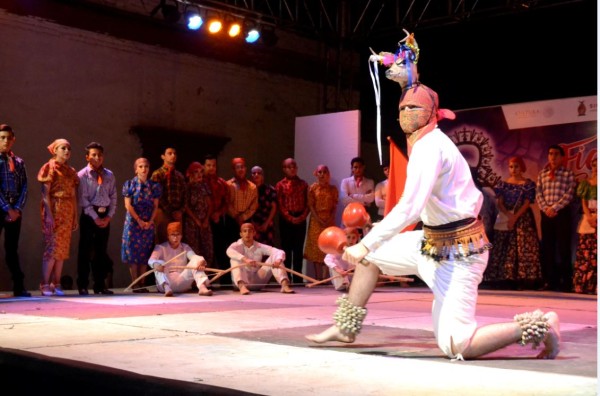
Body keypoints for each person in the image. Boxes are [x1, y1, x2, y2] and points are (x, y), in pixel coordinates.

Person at [306, 83, 560, 361]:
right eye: (402, 108)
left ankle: (543, 326)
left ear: (432, 114)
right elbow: (424, 207)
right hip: (429, 242)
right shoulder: (424, 143)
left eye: (414, 108)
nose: (406, 113)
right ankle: (345, 328)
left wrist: (364, 245)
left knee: (458, 345)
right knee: (374, 257)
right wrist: (408, 75)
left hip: (459, 256)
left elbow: (411, 206)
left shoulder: (431, 147)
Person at [485, 156, 541, 290]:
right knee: (503, 246)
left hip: (522, 218)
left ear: (522, 167)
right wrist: (509, 216)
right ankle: (503, 278)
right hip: (505, 217)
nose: (513, 169)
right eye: (511, 166)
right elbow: (500, 203)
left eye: (516, 166)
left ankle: (523, 279)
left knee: (523, 248)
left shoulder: (528, 185)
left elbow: (527, 203)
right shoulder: (503, 184)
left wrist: (515, 217)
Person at [37, 139, 79, 296]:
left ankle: (57, 282)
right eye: (63, 148)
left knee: (62, 249)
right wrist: (48, 215)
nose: (67, 151)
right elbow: (45, 194)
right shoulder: (49, 167)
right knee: (52, 247)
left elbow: (73, 195)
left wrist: (75, 216)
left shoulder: (70, 171)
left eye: (69, 148)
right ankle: (44, 283)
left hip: (67, 210)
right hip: (54, 208)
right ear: (55, 150)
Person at [76, 142, 117, 295]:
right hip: (89, 215)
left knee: (101, 251)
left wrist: (109, 216)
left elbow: (113, 197)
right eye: (93, 155)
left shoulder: (109, 174)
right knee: (86, 250)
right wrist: (94, 218)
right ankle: (83, 284)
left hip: (104, 214)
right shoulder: (82, 175)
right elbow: (83, 200)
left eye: (99, 155)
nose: (97, 158)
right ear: (87, 157)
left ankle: (100, 284)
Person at [535, 145, 576, 292]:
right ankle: (550, 281)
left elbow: (570, 194)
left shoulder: (568, 174)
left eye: (556, 154)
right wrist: (546, 208)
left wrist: (554, 208)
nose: (553, 157)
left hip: (562, 214)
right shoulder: (542, 174)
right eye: (550, 154)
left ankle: (566, 283)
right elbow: (538, 193)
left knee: (564, 248)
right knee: (548, 248)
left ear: (562, 157)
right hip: (546, 214)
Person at [121, 158, 161, 293]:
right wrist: (138, 220)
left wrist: (150, 221)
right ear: (136, 169)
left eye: (146, 166)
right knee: (133, 253)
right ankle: (135, 282)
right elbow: (128, 205)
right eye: (140, 166)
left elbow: (156, 206)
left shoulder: (154, 186)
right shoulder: (130, 184)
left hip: (147, 222)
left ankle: (142, 283)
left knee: (144, 253)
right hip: (133, 222)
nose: (144, 169)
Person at [0, 124, 30, 297]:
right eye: (2, 137)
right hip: (1, 208)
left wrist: (17, 208)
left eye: (8, 138)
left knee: (12, 249)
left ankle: (19, 286)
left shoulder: (18, 162)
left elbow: (25, 186)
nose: (5, 141)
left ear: (13, 140)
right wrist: (7, 209)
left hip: (15, 210)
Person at [226, 222, 294, 295]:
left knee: (275, 257)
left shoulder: (259, 246)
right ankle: (242, 286)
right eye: (244, 231)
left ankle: (284, 285)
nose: (247, 233)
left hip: (256, 281)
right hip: (241, 280)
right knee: (234, 259)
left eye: (250, 231)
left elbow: (278, 251)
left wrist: (278, 260)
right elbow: (229, 251)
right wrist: (245, 259)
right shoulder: (236, 245)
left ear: (254, 233)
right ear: (241, 234)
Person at [148, 222, 213, 297]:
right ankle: (167, 288)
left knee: (196, 259)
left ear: (181, 236)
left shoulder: (185, 247)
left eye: (178, 234)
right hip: (166, 282)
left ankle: (202, 287)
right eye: (173, 235)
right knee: (159, 263)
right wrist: (155, 265)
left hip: (182, 281)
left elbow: (194, 257)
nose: (175, 238)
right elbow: (151, 260)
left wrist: (201, 262)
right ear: (168, 236)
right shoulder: (160, 247)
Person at [275, 158, 309, 284]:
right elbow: (280, 204)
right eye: (289, 167)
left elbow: (308, 204)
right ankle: (287, 278)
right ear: (284, 169)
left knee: (298, 249)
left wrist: (301, 217)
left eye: (294, 166)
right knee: (286, 249)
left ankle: (298, 279)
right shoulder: (280, 185)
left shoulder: (303, 184)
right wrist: (290, 218)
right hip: (286, 219)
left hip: (300, 217)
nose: (292, 169)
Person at [303, 164, 338, 281]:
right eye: (320, 172)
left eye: (324, 172)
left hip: (329, 221)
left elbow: (335, 206)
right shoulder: (312, 188)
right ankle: (318, 278)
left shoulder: (333, 189)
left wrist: (329, 219)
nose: (322, 174)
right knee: (316, 248)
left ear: (328, 174)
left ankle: (326, 277)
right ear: (316, 174)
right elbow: (311, 206)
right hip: (316, 221)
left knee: (328, 247)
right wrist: (318, 219)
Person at [572, 157, 597, 294]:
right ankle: (584, 284)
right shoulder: (586, 184)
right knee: (585, 252)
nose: (596, 168)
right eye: (594, 165)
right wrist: (589, 216)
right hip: (588, 218)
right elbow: (584, 203)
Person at [151, 147, 186, 244]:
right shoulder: (157, 174)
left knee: (176, 242)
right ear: (163, 156)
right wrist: (170, 211)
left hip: (177, 215)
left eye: (174, 153)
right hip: (163, 212)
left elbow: (185, 195)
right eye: (169, 153)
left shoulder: (179, 175)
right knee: (162, 241)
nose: (173, 156)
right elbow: (157, 195)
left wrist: (180, 211)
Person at [203, 154, 232, 272]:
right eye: (208, 165)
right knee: (206, 251)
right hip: (203, 220)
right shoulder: (200, 182)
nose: (211, 168)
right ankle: (205, 281)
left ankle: (225, 282)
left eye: (213, 165)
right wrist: (208, 215)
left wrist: (218, 213)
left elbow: (227, 202)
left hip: (218, 220)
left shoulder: (222, 183)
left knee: (221, 250)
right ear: (204, 166)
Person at [183, 161, 214, 267]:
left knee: (207, 250)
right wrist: (196, 220)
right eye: (196, 172)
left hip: (204, 223)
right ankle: (194, 279)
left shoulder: (204, 186)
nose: (199, 174)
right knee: (194, 250)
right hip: (191, 223)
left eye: (201, 171)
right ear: (191, 174)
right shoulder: (187, 187)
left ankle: (206, 278)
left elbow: (210, 204)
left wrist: (205, 219)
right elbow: (186, 206)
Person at [323, 227, 358, 291]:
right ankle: (344, 283)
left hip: (350, 274)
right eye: (348, 237)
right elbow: (327, 259)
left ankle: (350, 284)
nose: (351, 240)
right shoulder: (338, 248)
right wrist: (338, 269)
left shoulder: (357, 249)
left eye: (354, 238)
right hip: (338, 274)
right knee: (334, 264)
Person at [250, 165, 277, 245]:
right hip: (252, 224)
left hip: (267, 223)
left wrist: (266, 223)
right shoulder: (248, 190)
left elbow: (274, 207)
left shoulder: (270, 189)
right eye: (254, 173)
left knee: (267, 250)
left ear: (263, 176)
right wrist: (253, 224)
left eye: (259, 173)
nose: (256, 175)